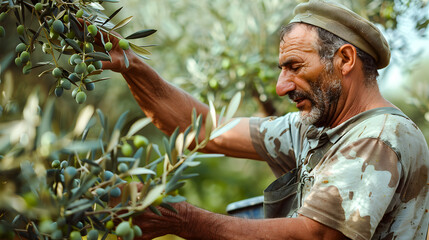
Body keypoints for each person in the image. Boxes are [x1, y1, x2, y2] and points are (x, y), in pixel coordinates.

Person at [102, 0, 429, 239]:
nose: (281, 85)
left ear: (344, 59)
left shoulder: (380, 137)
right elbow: (202, 130)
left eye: (295, 67)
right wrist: (131, 64)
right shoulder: (315, 127)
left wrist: (185, 220)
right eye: (282, 69)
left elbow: (314, 236)